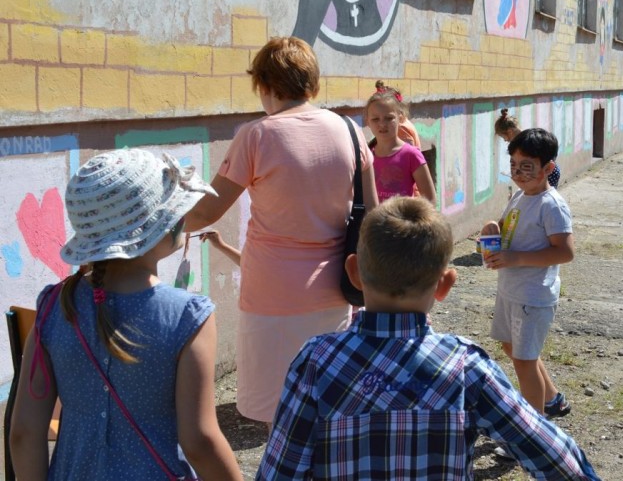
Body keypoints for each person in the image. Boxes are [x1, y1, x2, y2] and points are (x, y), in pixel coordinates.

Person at [256, 197, 599, 480]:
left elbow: (280, 471)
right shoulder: (467, 368)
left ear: (353, 273)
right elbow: (561, 463)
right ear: (445, 284)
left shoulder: (316, 361)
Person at [9, 149, 242, 480]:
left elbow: (24, 433)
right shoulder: (188, 316)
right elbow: (200, 442)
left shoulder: (52, 306)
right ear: (158, 227)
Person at [184, 37, 378, 426]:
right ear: (312, 82)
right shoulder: (350, 131)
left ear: (265, 84)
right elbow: (372, 215)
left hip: (271, 296)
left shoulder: (257, 134)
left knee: (281, 416)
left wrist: (145, 228)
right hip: (337, 290)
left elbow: (207, 210)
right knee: (328, 407)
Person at [480, 128, 574, 417]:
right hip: (511, 289)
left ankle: (533, 428)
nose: (518, 172)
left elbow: (565, 252)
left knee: (524, 361)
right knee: (513, 349)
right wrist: (492, 231)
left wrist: (516, 258)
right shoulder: (520, 196)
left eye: (526, 166)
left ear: (548, 168)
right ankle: (552, 399)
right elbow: (508, 228)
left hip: (532, 296)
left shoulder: (552, 206)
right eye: (513, 165)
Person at [365, 87, 436, 204]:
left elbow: (430, 200)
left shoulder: (411, 155)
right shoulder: (367, 156)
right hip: (375, 216)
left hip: (402, 216)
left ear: (401, 118)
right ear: (367, 121)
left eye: (389, 118)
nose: (382, 124)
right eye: (375, 119)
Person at [495, 108, 561, 188]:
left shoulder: (527, 142)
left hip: (547, 174)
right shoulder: (526, 139)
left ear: (510, 131)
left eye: (503, 137)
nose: (505, 140)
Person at [373, 79, 421, 149]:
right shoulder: (401, 122)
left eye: (388, 118)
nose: (381, 123)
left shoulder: (400, 127)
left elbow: (405, 152)